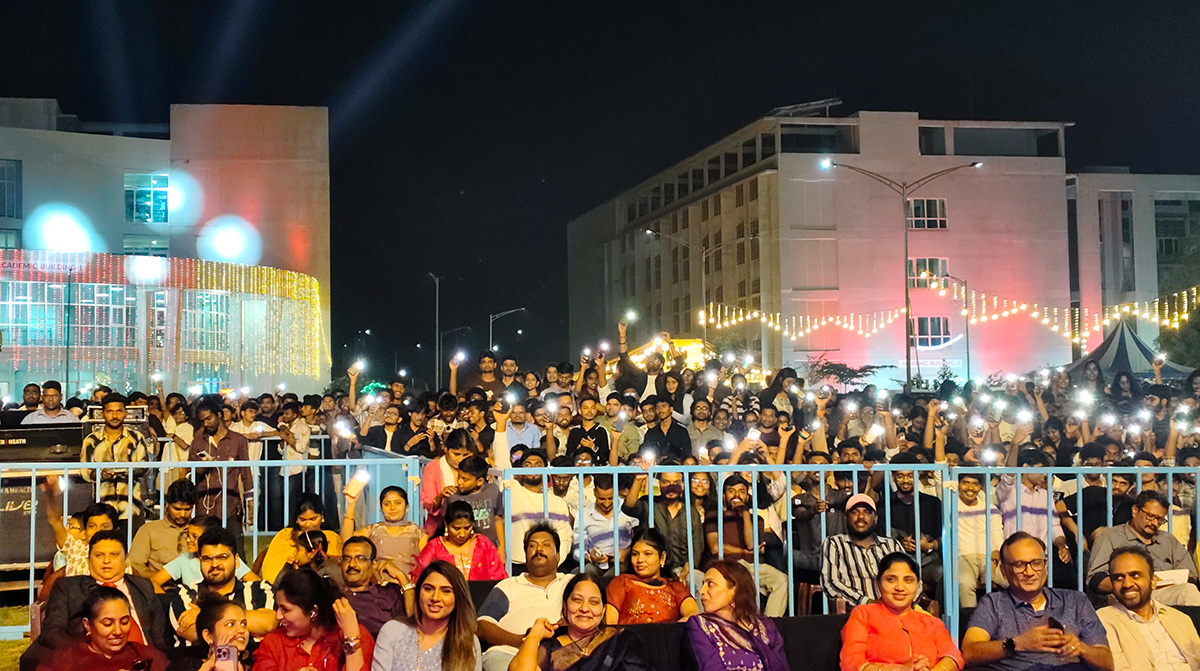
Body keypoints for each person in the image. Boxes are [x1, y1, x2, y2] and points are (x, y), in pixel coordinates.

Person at [962, 531, 1113, 671]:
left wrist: (1081, 648)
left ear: (1045, 566)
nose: (1029, 572)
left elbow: (1107, 663)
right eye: (1019, 565)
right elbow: (969, 653)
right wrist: (1017, 644)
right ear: (1004, 571)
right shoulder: (994, 603)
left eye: (1036, 563)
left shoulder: (1076, 601)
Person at [22, 530, 169, 671]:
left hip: (142, 661)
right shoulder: (68, 588)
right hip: (90, 663)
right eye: (99, 555)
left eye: (114, 555)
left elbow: (159, 638)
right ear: (88, 560)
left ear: (126, 560)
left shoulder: (143, 586)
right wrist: (87, 653)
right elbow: (52, 632)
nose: (106, 561)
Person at [840, 552, 964, 671]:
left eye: (908, 580)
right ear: (878, 583)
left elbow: (953, 656)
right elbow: (851, 662)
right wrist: (898, 669)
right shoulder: (863, 614)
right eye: (891, 579)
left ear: (917, 586)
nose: (900, 587)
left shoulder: (931, 622)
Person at [476, 523, 572, 671]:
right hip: (509, 654)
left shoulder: (571, 583)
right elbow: (482, 625)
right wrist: (524, 641)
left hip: (560, 656)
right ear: (525, 555)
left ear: (558, 555)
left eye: (546, 545)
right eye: (532, 546)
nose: (538, 549)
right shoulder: (508, 586)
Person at [1096, 544, 1200, 671]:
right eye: (1118, 578)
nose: (1127, 584)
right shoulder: (1104, 620)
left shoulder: (1181, 619)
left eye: (1135, 575)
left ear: (1153, 581)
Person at [1087, 491, 1200, 606]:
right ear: (1135, 511)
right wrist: (1136, 584)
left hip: (1167, 594)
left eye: (1160, 520)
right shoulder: (1111, 537)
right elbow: (1096, 580)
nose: (1155, 523)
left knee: (1189, 590)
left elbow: (1191, 577)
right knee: (1188, 593)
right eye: (1150, 516)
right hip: (1128, 595)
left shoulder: (1168, 540)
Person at [168, 528, 275, 646]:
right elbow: (192, 632)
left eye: (222, 557)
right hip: (199, 662)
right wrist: (247, 622)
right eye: (207, 559)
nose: (214, 564)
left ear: (237, 560)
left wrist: (205, 614)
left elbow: (268, 624)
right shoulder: (185, 593)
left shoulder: (260, 589)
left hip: (253, 662)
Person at [254, 568, 375, 671]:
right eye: (278, 608)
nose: (278, 616)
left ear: (313, 612)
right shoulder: (274, 643)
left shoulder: (356, 635)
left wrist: (351, 637)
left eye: (285, 609)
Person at [373, 560, 482, 671]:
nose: (435, 598)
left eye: (446, 591)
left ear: (458, 597)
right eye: (428, 589)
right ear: (419, 592)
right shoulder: (392, 631)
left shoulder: (469, 642)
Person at [703, 474, 789, 616]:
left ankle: (769, 624)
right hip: (724, 564)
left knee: (781, 580)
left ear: (747, 497)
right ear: (724, 496)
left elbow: (751, 545)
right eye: (731, 491)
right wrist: (744, 551)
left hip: (749, 566)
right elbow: (715, 547)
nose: (736, 495)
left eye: (742, 491)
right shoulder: (714, 516)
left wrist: (744, 513)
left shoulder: (756, 519)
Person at [509, 573, 633, 671]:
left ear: (603, 610)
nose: (584, 608)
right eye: (577, 600)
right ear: (565, 606)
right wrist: (534, 635)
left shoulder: (621, 641)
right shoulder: (549, 649)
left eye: (593, 602)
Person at [34, 586, 169, 671]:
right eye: (108, 623)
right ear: (88, 625)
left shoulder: (148, 657)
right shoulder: (64, 660)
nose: (118, 631)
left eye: (124, 621)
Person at [687, 560, 788, 671]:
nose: (702, 591)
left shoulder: (765, 627)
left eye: (710, 584)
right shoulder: (700, 626)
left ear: (734, 591)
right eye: (703, 585)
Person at [821, 494, 905, 608]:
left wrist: (901, 603)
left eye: (867, 512)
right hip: (857, 612)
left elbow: (913, 579)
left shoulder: (892, 545)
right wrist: (867, 602)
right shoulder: (835, 543)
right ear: (846, 517)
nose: (861, 516)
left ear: (875, 518)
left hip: (896, 610)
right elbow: (831, 583)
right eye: (855, 512)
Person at [605, 528, 699, 624]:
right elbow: (611, 624)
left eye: (647, 554)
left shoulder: (674, 586)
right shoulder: (621, 583)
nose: (640, 560)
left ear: (662, 557)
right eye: (635, 554)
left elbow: (692, 613)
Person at [80, 394, 150, 520]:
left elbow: (145, 466)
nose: (114, 416)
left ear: (125, 413)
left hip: (132, 507)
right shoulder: (91, 441)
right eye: (110, 411)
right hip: (102, 508)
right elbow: (85, 471)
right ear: (103, 414)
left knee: (133, 539)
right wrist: (101, 474)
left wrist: (129, 471)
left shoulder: (136, 438)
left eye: (119, 411)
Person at [342, 485, 426, 582]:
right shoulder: (372, 530)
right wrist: (351, 505)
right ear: (381, 508)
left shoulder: (417, 533)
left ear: (406, 506)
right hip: (378, 589)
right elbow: (347, 542)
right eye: (387, 504)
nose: (392, 508)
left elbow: (426, 564)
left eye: (398, 503)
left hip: (408, 588)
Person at [507, 450, 573, 571]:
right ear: (520, 471)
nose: (533, 468)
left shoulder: (557, 503)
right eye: (527, 465)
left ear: (546, 471)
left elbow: (565, 538)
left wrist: (554, 562)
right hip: (517, 565)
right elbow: (502, 462)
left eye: (538, 465)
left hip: (549, 565)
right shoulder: (512, 491)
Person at [152, 515, 255, 591]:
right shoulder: (184, 560)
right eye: (187, 536)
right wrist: (168, 601)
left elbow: (256, 582)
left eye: (194, 537)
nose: (188, 540)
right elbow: (153, 582)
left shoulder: (226, 559)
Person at [412, 500, 507, 580]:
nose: (462, 534)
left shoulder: (482, 544)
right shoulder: (435, 546)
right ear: (446, 525)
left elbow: (498, 576)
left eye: (467, 528)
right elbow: (420, 576)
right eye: (457, 529)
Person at [261, 493, 344, 584]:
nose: (308, 525)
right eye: (303, 520)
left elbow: (338, 568)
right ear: (296, 519)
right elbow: (270, 573)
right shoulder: (285, 535)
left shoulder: (331, 537)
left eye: (313, 519)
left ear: (322, 516)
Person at [340, 536, 408, 638]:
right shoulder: (333, 595)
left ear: (374, 563)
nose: (352, 564)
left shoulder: (390, 593)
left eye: (360, 558)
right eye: (346, 558)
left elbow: (414, 626)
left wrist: (402, 578)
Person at [130, 477, 197, 578]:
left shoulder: (198, 530)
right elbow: (135, 565)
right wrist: (162, 578)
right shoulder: (149, 530)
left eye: (187, 509)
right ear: (167, 504)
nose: (182, 514)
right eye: (177, 509)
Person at [446, 456, 507, 562]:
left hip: (489, 551)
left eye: (465, 479)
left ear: (479, 481)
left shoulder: (493, 491)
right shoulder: (452, 496)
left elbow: (497, 519)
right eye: (459, 476)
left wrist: (502, 547)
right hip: (462, 553)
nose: (459, 482)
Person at [421, 429, 478, 535]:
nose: (460, 459)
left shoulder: (474, 468)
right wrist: (441, 496)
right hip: (438, 530)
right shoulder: (433, 468)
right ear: (446, 449)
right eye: (456, 454)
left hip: (468, 530)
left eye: (465, 455)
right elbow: (429, 503)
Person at [580, 474, 636, 577]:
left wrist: (625, 553)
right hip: (596, 565)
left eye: (610, 498)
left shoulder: (627, 509)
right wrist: (589, 556)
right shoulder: (584, 513)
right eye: (601, 499)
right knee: (586, 571)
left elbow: (640, 536)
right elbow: (577, 544)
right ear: (594, 493)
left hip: (624, 564)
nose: (606, 504)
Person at [193, 597, 252, 671]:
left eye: (243, 624)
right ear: (208, 636)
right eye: (230, 624)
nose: (241, 630)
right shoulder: (192, 666)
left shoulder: (256, 664)